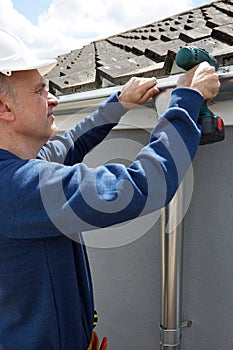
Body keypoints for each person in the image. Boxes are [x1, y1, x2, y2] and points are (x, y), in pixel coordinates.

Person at [0, 27, 220, 350]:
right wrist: (187, 100)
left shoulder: (19, 170)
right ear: (5, 108)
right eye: (39, 91)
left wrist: (118, 103)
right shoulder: (18, 189)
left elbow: (68, 145)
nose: (54, 99)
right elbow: (139, 185)